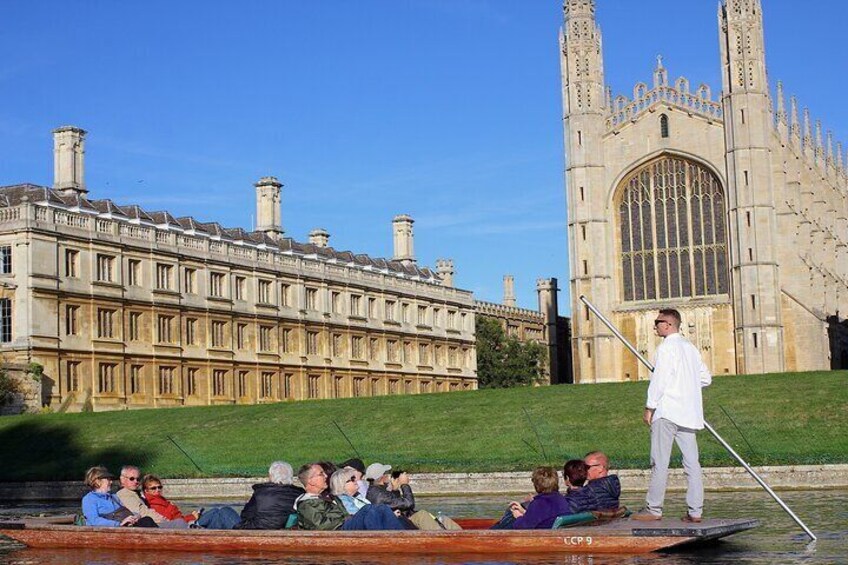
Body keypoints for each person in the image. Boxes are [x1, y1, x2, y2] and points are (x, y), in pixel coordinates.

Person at [633, 308, 712, 523]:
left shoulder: (666, 348)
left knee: (660, 461)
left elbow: (660, 380)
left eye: (658, 322)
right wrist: (685, 385)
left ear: (668, 324)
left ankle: (654, 509)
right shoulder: (691, 348)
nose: (655, 326)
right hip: (689, 414)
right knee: (692, 463)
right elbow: (706, 378)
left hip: (667, 412)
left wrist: (650, 407)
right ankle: (695, 511)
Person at [294, 463, 405, 531]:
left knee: (380, 508)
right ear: (311, 481)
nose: (326, 476)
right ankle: (389, 540)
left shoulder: (327, 497)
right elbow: (320, 526)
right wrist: (346, 518)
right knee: (368, 510)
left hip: (345, 525)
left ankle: (401, 535)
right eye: (321, 474)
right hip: (338, 530)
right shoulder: (306, 504)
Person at [364, 462, 457, 530]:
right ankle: (443, 539)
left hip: (402, 520)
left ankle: (460, 536)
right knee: (421, 515)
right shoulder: (379, 494)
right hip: (399, 523)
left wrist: (395, 490)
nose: (387, 476)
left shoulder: (377, 490)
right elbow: (409, 504)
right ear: (381, 477)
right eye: (385, 474)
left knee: (443, 519)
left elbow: (395, 504)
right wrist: (405, 485)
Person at [235, 461, 305, 530]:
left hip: (256, 533)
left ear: (270, 476)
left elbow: (245, 515)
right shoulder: (299, 494)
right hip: (285, 535)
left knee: (225, 512)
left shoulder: (261, 493)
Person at [81, 466, 157, 528]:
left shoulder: (114, 497)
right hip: (110, 532)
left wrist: (136, 516)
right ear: (97, 481)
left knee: (147, 520)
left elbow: (127, 512)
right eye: (108, 479)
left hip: (126, 528)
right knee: (147, 523)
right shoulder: (89, 499)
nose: (111, 482)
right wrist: (119, 523)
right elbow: (94, 521)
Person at [115, 465, 184, 529]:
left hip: (154, 523)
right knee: (180, 523)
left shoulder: (136, 493)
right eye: (132, 479)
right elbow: (142, 513)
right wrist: (164, 519)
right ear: (122, 479)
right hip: (149, 525)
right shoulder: (125, 494)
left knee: (182, 522)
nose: (136, 481)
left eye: (138, 479)